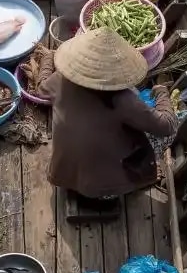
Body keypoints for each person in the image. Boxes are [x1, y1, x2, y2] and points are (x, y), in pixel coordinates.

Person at [36, 27, 177, 202]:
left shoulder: (60, 80)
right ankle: (127, 182)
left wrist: (48, 57)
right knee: (170, 131)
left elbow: (41, 88)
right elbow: (167, 126)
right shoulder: (123, 99)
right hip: (102, 189)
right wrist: (161, 91)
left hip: (62, 175)